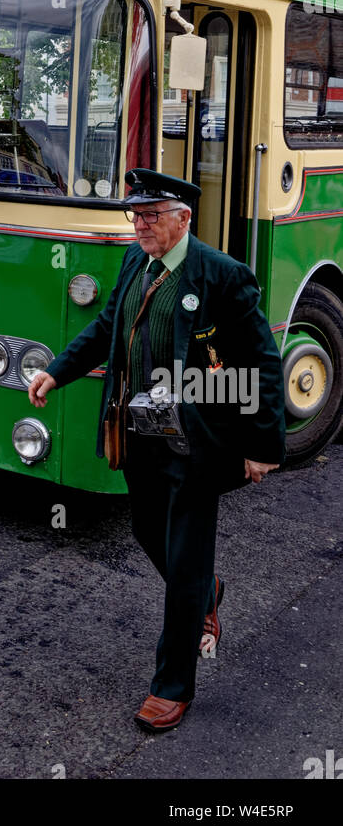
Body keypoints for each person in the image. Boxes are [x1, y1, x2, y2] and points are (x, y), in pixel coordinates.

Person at [27, 168, 286, 731]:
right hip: (138, 429)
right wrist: (58, 370)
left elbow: (262, 361)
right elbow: (106, 325)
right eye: (135, 215)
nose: (139, 225)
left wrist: (263, 444)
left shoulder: (222, 275)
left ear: (183, 218)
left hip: (197, 440)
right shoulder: (134, 262)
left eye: (150, 216)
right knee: (147, 529)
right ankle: (206, 592)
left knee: (186, 555)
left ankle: (172, 687)